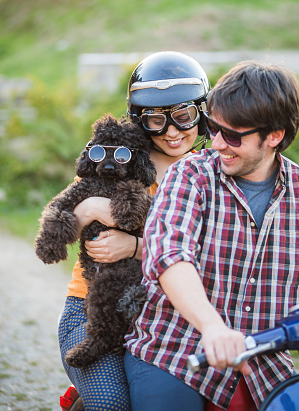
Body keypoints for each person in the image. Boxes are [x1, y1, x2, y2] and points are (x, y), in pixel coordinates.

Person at [124, 60, 299, 411]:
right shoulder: (190, 175)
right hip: (176, 355)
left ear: (274, 136)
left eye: (234, 135)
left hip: (266, 370)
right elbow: (169, 256)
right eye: (213, 127)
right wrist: (212, 327)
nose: (218, 143)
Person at [57, 51, 211, 410]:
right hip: (91, 309)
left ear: (201, 113)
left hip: (168, 316)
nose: (173, 132)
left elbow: (209, 248)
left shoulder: (211, 170)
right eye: (157, 120)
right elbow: (63, 218)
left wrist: (136, 246)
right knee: (112, 403)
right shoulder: (114, 158)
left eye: (184, 117)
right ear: (140, 121)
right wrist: (91, 208)